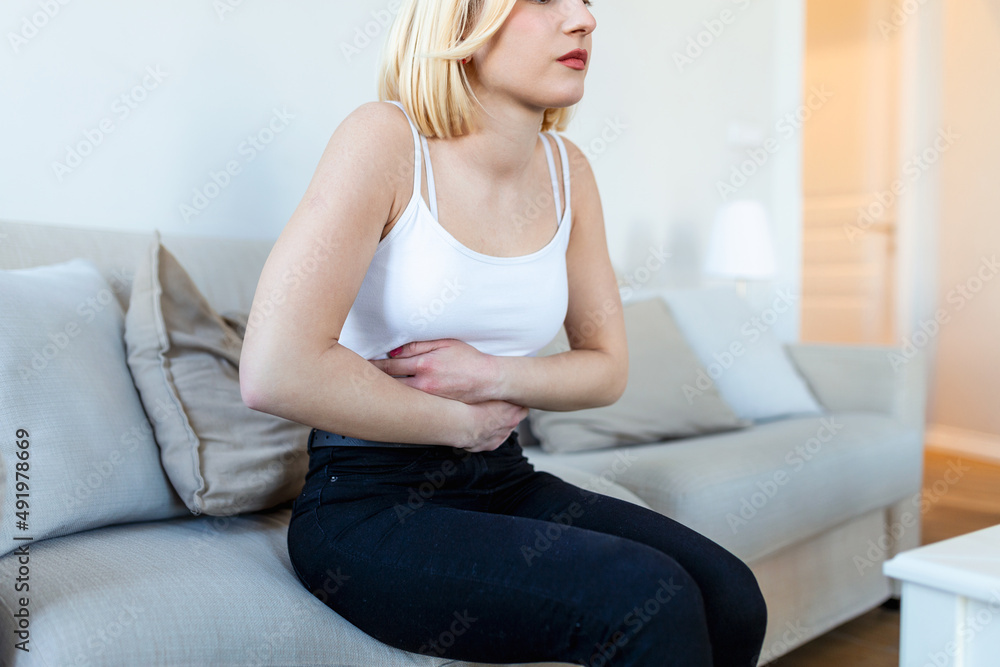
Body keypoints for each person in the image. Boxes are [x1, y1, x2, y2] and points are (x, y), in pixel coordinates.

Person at [239, 0, 767, 664]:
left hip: (500, 477)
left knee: (733, 594)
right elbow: (274, 368)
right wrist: (460, 423)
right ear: (459, 21)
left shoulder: (567, 170)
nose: (583, 20)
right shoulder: (383, 140)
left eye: (586, 2)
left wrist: (492, 375)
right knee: (648, 599)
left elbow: (607, 366)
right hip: (368, 499)